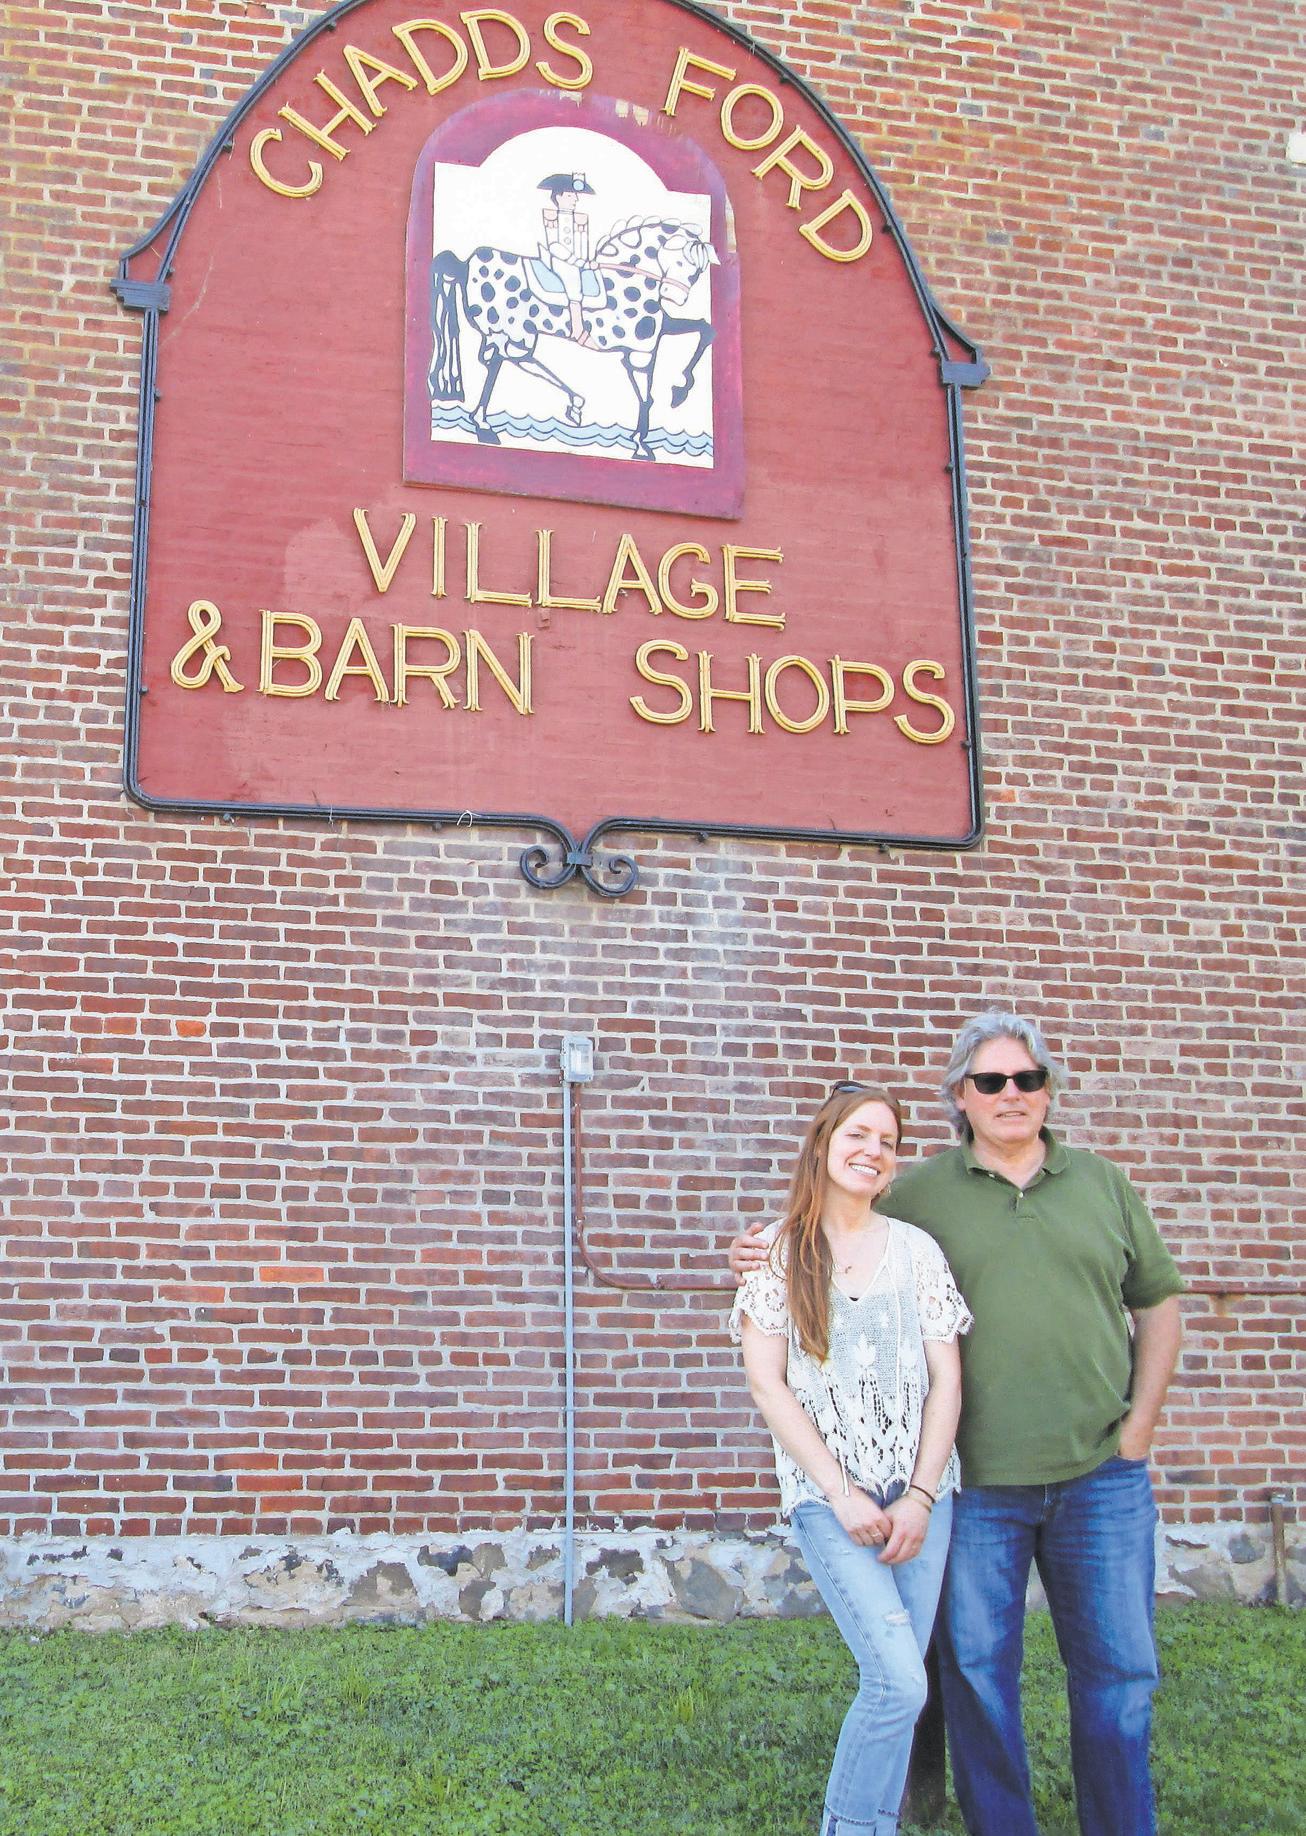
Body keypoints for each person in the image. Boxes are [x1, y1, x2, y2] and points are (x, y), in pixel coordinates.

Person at [730, 1013, 1184, 1836]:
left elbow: (1157, 1303)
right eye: (991, 1081)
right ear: (961, 1098)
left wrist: (1138, 1434)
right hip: (975, 1488)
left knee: (1120, 1675)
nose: (1013, 1094)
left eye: (1029, 1079)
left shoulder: (1102, 1183)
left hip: (1101, 1477)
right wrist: (760, 1247)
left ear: (1049, 1091)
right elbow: (837, 1207)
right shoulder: (922, 1191)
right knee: (977, 1676)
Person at [731, 1084, 972, 1836]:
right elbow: (767, 1385)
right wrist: (842, 1493)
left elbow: (947, 1381)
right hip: (829, 1499)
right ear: (823, 1145)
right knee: (898, 1681)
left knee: (903, 1687)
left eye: (888, 1142)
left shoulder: (917, 1251)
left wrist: (921, 1497)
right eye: (858, 1135)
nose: (873, 1151)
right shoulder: (778, 1253)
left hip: (923, 1496)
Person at [538, 172, 595, 346]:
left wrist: (586, 261)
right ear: (558, 197)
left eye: (575, 195)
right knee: (572, 276)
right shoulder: (551, 216)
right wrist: (577, 262)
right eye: (570, 195)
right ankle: (577, 329)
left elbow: (582, 245)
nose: (575, 199)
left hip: (578, 261)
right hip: (558, 260)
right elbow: (554, 245)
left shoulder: (580, 218)